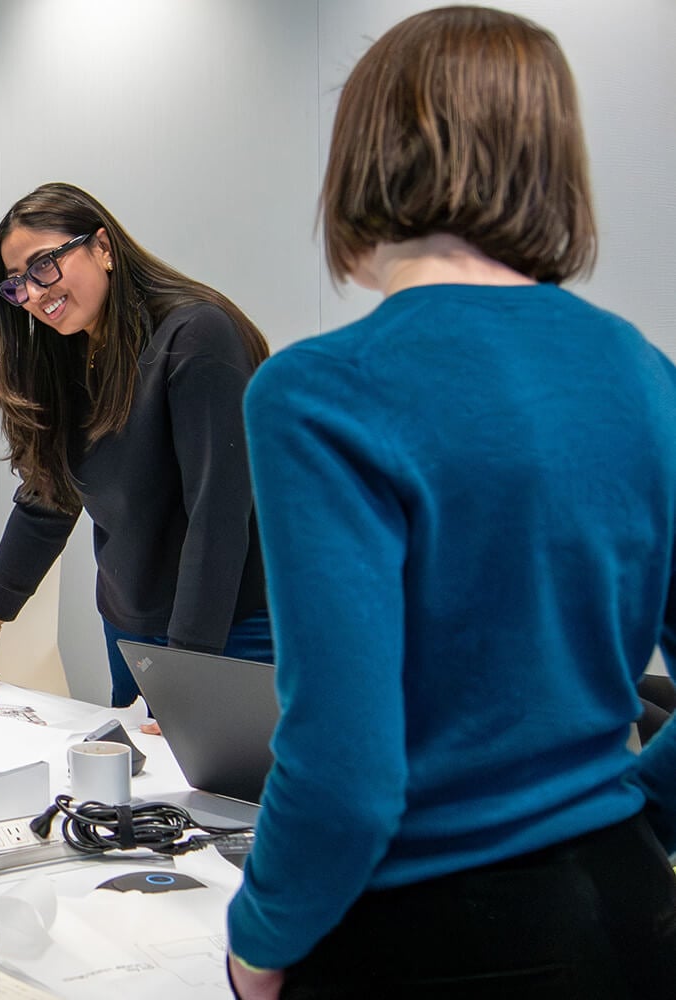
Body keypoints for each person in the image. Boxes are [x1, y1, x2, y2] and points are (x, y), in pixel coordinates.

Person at [225, 8, 676, 999]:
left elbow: (345, 773)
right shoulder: (647, 375)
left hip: (426, 933)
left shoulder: (318, 393)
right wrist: (632, 806)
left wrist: (255, 944)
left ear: (362, 159)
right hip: (633, 912)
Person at [0, 182, 273, 709]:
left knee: (218, 791)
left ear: (102, 247)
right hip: (130, 630)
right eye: (16, 285)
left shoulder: (196, 335)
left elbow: (218, 514)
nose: (33, 292)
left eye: (43, 264)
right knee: (139, 790)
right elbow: (47, 500)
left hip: (225, 631)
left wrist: (187, 668)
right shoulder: (69, 357)